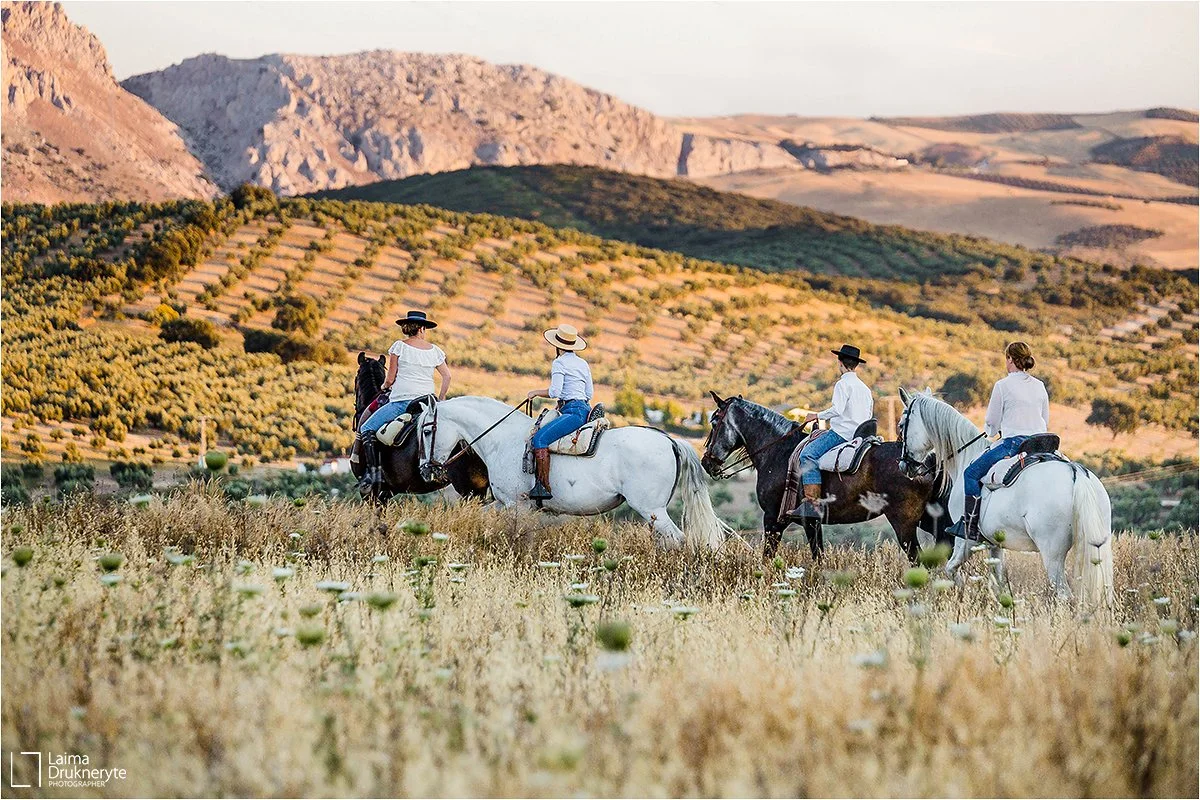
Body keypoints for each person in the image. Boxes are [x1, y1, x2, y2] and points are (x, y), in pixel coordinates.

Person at [949, 341, 1049, 540]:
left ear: (1010, 359)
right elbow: (1044, 419)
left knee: (970, 473)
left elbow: (992, 423)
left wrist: (991, 430)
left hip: (1013, 444)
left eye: (1007, 358)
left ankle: (970, 526)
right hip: (1041, 443)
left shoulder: (1002, 386)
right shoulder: (1040, 386)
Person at [357, 310, 451, 491]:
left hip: (402, 403)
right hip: (427, 402)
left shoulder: (399, 347)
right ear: (422, 329)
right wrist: (441, 399)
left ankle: (375, 475)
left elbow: (390, 379)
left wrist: (384, 387)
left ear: (407, 328)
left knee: (366, 428)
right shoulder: (435, 351)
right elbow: (447, 377)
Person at [785, 344, 873, 520]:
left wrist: (816, 415)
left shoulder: (842, 384)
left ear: (839, 362)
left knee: (807, 455)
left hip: (842, 434)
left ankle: (812, 503)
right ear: (855, 365)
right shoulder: (865, 388)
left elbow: (838, 410)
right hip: (861, 435)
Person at [526, 323, 593, 501]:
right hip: (584, 409)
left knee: (539, 439)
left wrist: (535, 393)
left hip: (572, 412)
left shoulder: (559, 363)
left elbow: (555, 392)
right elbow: (589, 394)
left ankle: (543, 486)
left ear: (557, 345)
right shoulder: (583, 363)